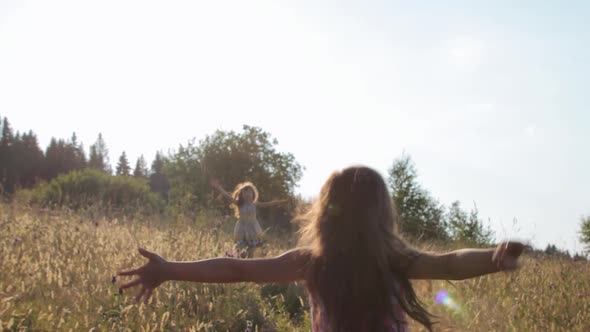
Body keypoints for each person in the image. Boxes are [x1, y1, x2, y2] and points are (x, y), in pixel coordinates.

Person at [119, 166, 526, 331]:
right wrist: (492, 258)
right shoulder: (391, 260)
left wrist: (170, 268)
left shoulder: (313, 263)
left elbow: (237, 269)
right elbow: (450, 263)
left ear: (325, 214)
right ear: (382, 214)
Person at [209, 178, 290, 258]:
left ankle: (250, 261)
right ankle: (241, 259)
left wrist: (283, 201)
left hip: (253, 229)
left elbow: (269, 203)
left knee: (252, 250)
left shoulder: (254, 204)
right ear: (242, 195)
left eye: (249, 191)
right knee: (242, 249)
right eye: (245, 192)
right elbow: (228, 196)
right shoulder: (240, 204)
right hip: (242, 229)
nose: (247, 193)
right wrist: (218, 188)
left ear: (253, 194)